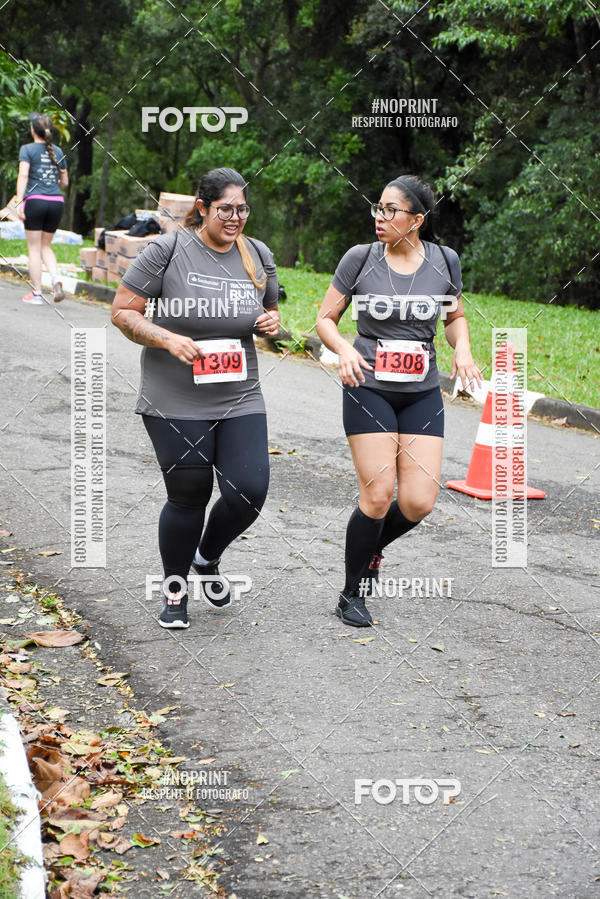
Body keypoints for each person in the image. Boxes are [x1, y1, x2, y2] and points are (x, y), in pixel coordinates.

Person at [111, 167, 280, 629]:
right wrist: (166, 338)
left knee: (249, 490)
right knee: (189, 494)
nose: (236, 218)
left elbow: (269, 310)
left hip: (239, 394)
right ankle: (175, 591)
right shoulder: (167, 251)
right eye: (226, 209)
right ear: (202, 207)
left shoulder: (257, 254)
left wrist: (271, 325)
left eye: (243, 209)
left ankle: (207, 559)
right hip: (174, 397)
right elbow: (122, 312)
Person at [316, 174, 482, 627]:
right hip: (368, 386)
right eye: (378, 207)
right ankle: (352, 592)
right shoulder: (361, 259)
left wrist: (462, 349)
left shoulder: (445, 261)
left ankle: (373, 547)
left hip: (421, 391)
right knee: (376, 496)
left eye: (391, 210)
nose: (380, 217)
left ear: (417, 220)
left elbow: (455, 317)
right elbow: (325, 319)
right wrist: (345, 348)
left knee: (417, 502)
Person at [16, 113, 68, 304]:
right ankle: (56, 279)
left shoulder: (27, 149)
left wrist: (20, 202)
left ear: (32, 130)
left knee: (34, 248)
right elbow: (65, 181)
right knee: (46, 246)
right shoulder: (58, 151)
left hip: (35, 201)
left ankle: (37, 294)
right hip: (56, 202)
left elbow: (23, 176)